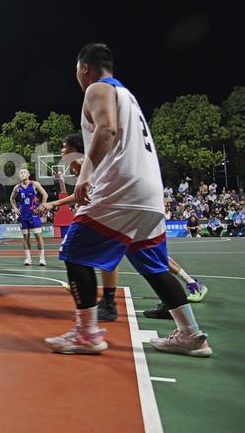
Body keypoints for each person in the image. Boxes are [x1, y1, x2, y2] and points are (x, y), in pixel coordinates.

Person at [45, 43, 211, 356]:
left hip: (122, 188)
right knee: (155, 266)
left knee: (75, 252)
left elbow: (106, 129)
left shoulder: (97, 88)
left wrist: (85, 173)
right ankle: (190, 334)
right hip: (149, 192)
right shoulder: (128, 96)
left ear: (84, 69)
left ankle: (87, 335)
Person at [41, 134, 208, 322]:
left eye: (65, 147)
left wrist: (57, 201)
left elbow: (88, 190)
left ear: (77, 149)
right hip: (147, 200)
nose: (62, 150)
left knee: (78, 250)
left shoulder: (91, 159)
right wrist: (56, 201)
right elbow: (85, 192)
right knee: (152, 257)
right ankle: (183, 310)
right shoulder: (105, 159)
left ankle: (100, 309)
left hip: (125, 204)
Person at [10, 169, 49, 266]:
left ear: (28, 174)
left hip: (34, 214)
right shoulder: (17, 187)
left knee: (38, 235)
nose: (22, 174)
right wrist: (15, 208)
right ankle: (28, 258)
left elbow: (45, 194)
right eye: (20, 173)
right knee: (25, 237)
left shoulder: (34, 184)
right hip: (23, 215)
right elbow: (11, 198)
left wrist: (42, 205)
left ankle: (42, 259)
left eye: (24, 172)